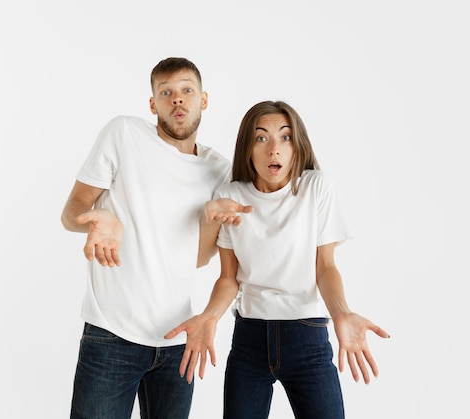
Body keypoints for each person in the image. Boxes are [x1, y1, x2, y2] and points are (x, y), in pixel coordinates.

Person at [165, 100, 390, 418]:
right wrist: (210, 315)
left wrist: (341, 313)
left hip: (307, 337)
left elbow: (325, 267)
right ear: (248, 149)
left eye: (285, 137)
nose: (275, 148)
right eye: (262, 138)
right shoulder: (230, 197)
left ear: (298, 146)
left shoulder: (316, 188)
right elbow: (228, 277)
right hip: (249, 340)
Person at [61, 57, 244, 419]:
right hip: (111, 335)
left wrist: (210, 218)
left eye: (187, 91)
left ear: (203, 100)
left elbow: (198, 258)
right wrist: (101, 219)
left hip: (177, 341)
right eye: (167, 92)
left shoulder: (220, 170)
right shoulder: (123, 134)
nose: (178, 100)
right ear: (153, 104)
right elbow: (71, 212)